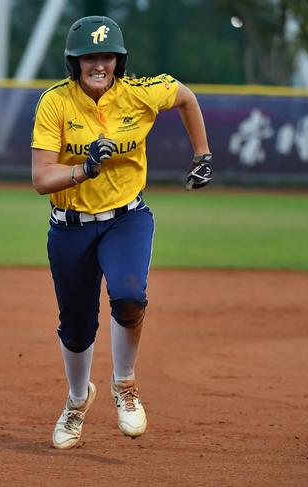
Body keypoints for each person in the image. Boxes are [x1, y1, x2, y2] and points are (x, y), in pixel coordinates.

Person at [31, 16, 212, 449]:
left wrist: (202, 153)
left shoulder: (140, 94)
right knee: (76, 328)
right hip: (70, 227)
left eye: (107, 56)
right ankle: (77, 401)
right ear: (74, 62)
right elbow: (41, 178)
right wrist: (84, 169)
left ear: (119, 60)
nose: (100, 64)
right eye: (90, 57)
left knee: (130, 296)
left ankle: (124, 385)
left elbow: (185, 97)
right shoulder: (55, 103)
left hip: (126, 218)